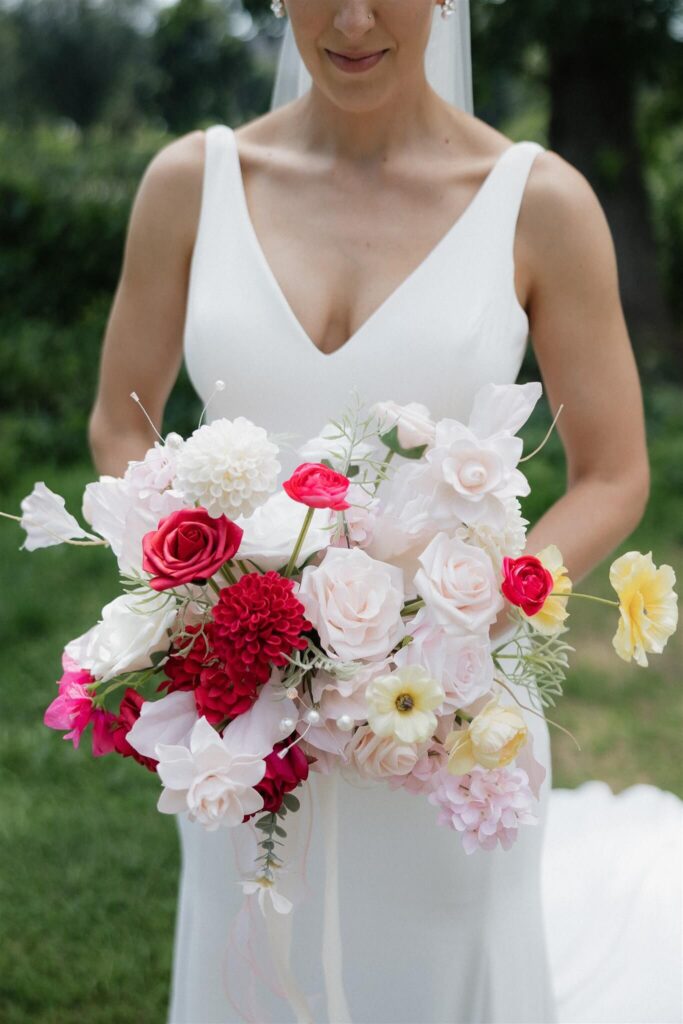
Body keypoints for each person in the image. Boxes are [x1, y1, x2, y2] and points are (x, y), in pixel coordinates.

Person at [87, 2, 682, 1022]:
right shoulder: (190, 185)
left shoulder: (538, 202)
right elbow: (119, 425)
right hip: (238, 716)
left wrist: (478, 609)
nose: (354, 20)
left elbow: (611, 473)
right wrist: (199, 590)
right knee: (252, 960)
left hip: (447, 715)